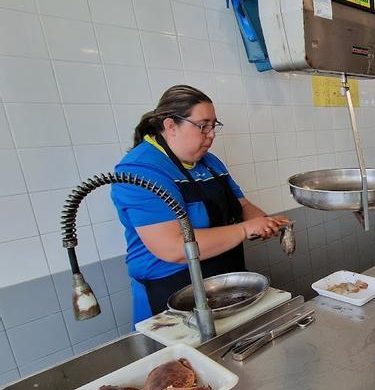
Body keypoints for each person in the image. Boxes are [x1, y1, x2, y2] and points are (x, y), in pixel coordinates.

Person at [111, 85, 290, 323]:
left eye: (214, 125)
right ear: (170, 125)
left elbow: (242, 205)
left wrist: (263, 221)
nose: (211, 134)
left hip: (222, 282)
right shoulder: (139, 172)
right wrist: (245, 229)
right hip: (170, 292)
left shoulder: (210, 163)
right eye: (202, 126)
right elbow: (173, 247)